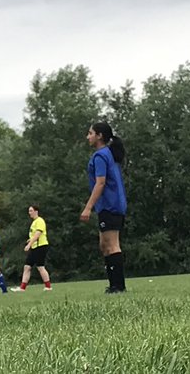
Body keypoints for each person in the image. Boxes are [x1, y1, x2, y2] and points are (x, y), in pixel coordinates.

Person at [79, 122, 128, 294]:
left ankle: (118, 286)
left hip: (110, 205)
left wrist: (87, 208)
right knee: (104, 245)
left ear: (99, 136)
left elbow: (100, 183)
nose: (88, 136)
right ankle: (113, 284)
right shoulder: (108, 154)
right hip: (113, 205)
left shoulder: (101, 156)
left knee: (112, 245)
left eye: (90, 133)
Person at [17, 205, 52, 292]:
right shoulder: (34, 222)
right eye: (29, 211)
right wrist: (30, 240)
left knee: (40, 267)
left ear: (36, 211)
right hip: (34, 246)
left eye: (31, 211)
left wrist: (29, 245)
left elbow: (38, 234)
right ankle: (22, 288)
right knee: (27, 267)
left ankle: (48, 286)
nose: (29, 213)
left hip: (40, 246)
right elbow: (34, 234)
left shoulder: (39, 221)